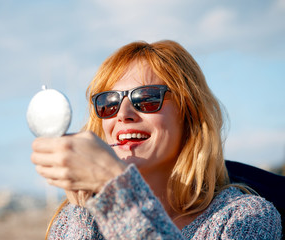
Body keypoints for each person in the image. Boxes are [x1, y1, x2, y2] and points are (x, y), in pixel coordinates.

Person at [31, 40, 282, 239]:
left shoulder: (245, 217)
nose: (123, 114)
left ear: (190, 115)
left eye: (147, 98)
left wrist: (115, 189)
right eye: (109, 103)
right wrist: (86, 211)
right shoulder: (73, 216)